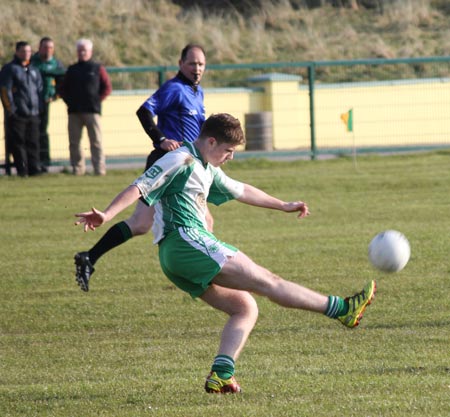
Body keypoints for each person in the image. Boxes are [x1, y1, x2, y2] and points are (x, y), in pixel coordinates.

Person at [74, 113, 376, 394]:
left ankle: (221, 373)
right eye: (228, 150)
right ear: (211, 141)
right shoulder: (180, 158)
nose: (230, 157)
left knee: (245, 307)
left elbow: (241, 189)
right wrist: (108, 214)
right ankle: (342, 309)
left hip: (175, 256)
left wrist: (282, 204)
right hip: (186, 241)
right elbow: (140, 186)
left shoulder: (207, 167)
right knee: (268, 281)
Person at [73, 44, 207, 291]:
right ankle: (202, 272)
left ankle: (89, 257)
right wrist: (160, 139)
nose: (196, 68)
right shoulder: (174, 88)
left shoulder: (197, 93)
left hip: (185, 165)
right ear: (180, 64)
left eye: (200, 64)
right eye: (192, 63)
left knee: (144, 224)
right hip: (166, 162)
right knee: (200, 218)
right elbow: (144, 111)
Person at [60, 38, 112, 176]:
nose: (82, 53)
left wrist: (96, 101)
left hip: (92, 111)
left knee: (96, 141)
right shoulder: (72, 69)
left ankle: (99, 169)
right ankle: (78, 169)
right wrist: (69, 102)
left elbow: (107, 87)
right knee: (74, 142)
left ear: (90, 52)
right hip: (74, 112)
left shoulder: (97, 68)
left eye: (85, 50)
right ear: (77, 52)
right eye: (80, 50)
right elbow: (63, 89)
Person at [0, 41, 43, 177]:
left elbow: (39, 89)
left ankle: (34, 170)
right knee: (19, 143)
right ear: (17, 52)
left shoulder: (34, 69)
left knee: (34, 142)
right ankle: (22, 171)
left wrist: (39, 107)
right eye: (24, 51)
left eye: (29, 51)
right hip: (18, 113)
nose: (27, 54)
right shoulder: (10, 69)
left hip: (33, 113)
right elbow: (5, 90)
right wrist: (11, 110)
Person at [31, 37, 65, 173]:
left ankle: (45, 161)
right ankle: (32, 162)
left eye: (50, 47)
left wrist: (55, 96)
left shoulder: (56, 63)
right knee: (32, 132)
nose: (48, 50)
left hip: (45, 102)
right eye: (45, 47)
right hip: (31, 103)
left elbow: (63, 80)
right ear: (39, 48)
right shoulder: (32, 62)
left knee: (43, 132)